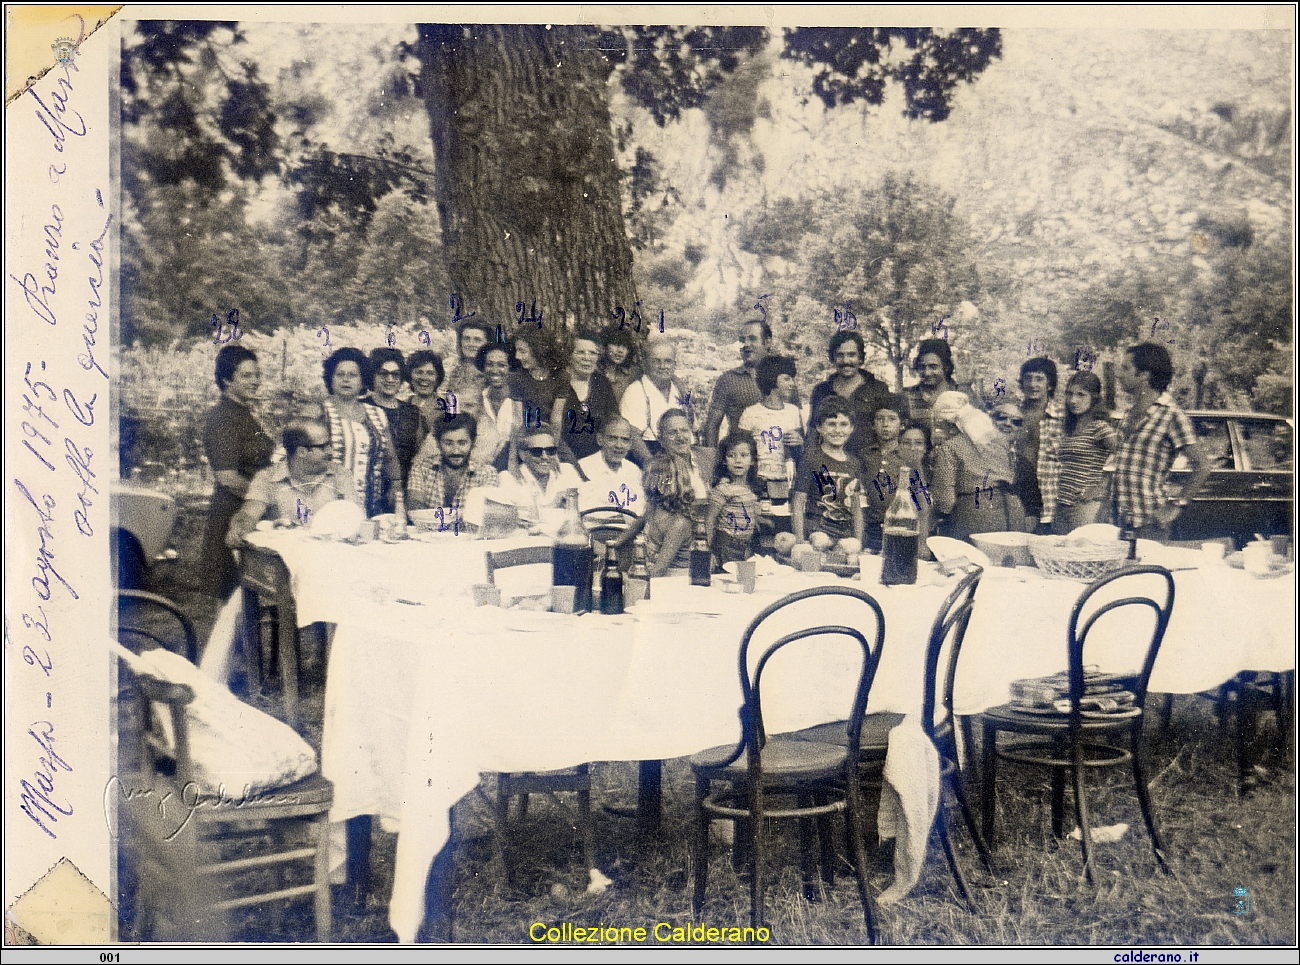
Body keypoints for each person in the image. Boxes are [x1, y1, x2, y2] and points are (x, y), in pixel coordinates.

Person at [1111, 342, 1210, 540]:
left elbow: (1202, 467)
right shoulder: (1129, 414)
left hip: (1150, 524)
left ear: (1145, 374)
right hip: (1120, 523)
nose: (1118, 374)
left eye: (1125, 368)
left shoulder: (1171, 414)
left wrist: (1176, 505)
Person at [200, 345, 274, 597]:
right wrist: (265, 496)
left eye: (257, 375)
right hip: (231, 513)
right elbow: (227, 477)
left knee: (249, 603)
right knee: (231, 603)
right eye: (246, 376)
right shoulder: (222, 418)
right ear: (226, 380)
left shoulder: (244, 414)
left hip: (249, 512)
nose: (255, 381)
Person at [225, 421, 356, 545]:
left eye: (330, 445)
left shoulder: (341, 475)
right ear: (301, 452)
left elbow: (355, 516)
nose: (330, 451)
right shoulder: (267, 477)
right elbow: (249, 514)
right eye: (323, 447)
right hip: (284, 559)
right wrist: (240, 527)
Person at [315, 347, 405, 520]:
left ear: (363, 380)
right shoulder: (319, 411)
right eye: (340, 374)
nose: (346, 380)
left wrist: (395, 486)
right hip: (328, 503)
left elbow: (390, 457)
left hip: (371, 504)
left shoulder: (376, 414)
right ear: (330, 379)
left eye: (353, 375)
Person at [929, 391, 1025, 539]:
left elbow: (944, 501)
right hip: (1013, 513)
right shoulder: (997, 441)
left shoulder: (950, 447)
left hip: (976, 514)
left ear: (946, 422)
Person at [1038, 371, 1119, 535]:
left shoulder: (1100, 427)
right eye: (1069, 394)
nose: (1073, 400)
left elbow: (1125, 457)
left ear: (1094, 398)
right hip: (1062, 503)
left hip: (1085, 506)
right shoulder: (1070, 427)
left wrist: (1100, 487)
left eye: (1081, 395)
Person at [792, 397, 866, 546]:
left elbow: (857, 508)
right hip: (817, 530)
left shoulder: (854, 463)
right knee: (820, 541)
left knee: (852, 547)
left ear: (851, 428)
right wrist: (800, 541)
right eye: (831, 424)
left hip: (844, 533)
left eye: (844, 424)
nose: (838, 430)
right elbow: (798, 503)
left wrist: (859, 542)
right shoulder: (811, 459)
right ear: (819, 427)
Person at [808, 331, 892, 460]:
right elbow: (813, 432)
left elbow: (888, 431)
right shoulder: (822, 390)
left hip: (868, 462)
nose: (846, 361)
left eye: (851, 355)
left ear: (860, 358)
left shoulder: (878, 389)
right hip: (830, 462)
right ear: (833, 358)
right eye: (840, 355)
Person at [640, 410, 704, 577]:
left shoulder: (707, 459)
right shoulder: (659, 467)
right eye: (672, 432)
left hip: (694, 554)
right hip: (669, 564)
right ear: (661, 439)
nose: (680, 436)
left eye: (684, 430)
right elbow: (643, 520)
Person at [737, 354, 805, 507]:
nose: (792, 384)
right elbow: (739, 448)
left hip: (785, 482)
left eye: (792, 379)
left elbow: (800, 454)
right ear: (772, 379)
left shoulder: (793, 411)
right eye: (787, 379)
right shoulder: (751, 413)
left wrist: (800, 442)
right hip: (758, 482)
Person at [704, 319, 782, 446]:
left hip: (776, 457)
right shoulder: (728, 379)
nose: (746, 344)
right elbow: (712, 425)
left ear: (767, 342)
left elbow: (795, 419)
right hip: (742, 458)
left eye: (752, 339)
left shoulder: (783, 378)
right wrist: (710, 458)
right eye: (742, 340)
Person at [550, 332, 619, 463]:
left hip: (597, 459)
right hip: (562, 458)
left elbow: (613, 420)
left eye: (592, 353)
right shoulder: (557, 382)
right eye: (580, 352)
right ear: (569, 356)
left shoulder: (602, 383)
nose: (587, 358)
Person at [495, 424, 584, 524]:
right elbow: (513, 520)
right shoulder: (509, 479)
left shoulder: (567, 471)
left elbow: (587, 507)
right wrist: (555, 503)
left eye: (551, 451)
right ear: (522, 454)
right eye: (537, 451)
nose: (545, 457)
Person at [407, 413, 495, 511]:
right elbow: (413, 505)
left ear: (473, 443)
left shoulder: (486, 473)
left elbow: (484, 514)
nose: (455, 451)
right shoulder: (422, 467)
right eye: (448, 443)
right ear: (438, 443)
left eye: (462, 443)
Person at [1012, 357, 1059, 528]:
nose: (1032, 384)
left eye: (1039, 379)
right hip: (1016, 487)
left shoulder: (1062, 416)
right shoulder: (1011, 415)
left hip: (1048, 490)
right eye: (1028, 378)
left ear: (1050, 384)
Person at [369, 347, 427, 487]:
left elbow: (420, 456)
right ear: (372, 376)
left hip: (406, 485)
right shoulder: (362, 407)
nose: (390, 379)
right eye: (383, 373)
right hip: (370, 484)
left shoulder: (412, 412)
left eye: (395, 374)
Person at [621, 340, 684, 466]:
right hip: (649, 455)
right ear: (645, 364)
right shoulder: (636, 391)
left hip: (678, 457)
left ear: (674, 364)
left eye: (668, 361)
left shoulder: (678, 389)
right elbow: (632, 435)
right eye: (656, 361)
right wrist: (651, 465)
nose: (662, 366)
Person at [706, 433, 762, 566]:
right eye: (731, 455)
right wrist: (708, 551)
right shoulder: (723, 489)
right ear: (724, 461)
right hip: (726, 545)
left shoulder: (750, 488)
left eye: (744, 455)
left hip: (745, 546)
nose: (738, 460)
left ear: (752, 460)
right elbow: (709, 520)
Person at [861, 396, 907, 553]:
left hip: (899, 528)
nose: (886, 424)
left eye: (892, 419)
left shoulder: (908, 457)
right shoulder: (864, 455)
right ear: (873, 425)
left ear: (902, 425)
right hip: (870, 529)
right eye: (880, 419)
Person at [577, 416, 645, 517]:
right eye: (613, 438)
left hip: (631, 530)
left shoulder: (634, 470)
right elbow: (585, 511)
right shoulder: (583, 468)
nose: (619, 445)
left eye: (625, 440)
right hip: (598, 530)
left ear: (630, 444)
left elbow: (641, 508)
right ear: (600, 439)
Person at [474, 341, 524, 471]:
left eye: (501, 365)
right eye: (489, 364)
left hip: (512, 469)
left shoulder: (521, 402)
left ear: (511, 368)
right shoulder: (478, 399)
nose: (494, 370)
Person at [902, 339, 963, 433]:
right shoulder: (907, 396)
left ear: (946, 367)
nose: (927, 373)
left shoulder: (961, 394)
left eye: (933, 367)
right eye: (922, 367)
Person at [510, 329, 564, 431]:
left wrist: (553, 446)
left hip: (551, 433)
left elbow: (556, 419)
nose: (517, 356)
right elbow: (517, 421)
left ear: (538, 351)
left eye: (522, 351)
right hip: (526, 432)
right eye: (517, 351)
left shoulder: (560, 376)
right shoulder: (517, 378)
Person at [444, 319, 493, 418]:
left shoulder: (492, 372)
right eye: (466, 338)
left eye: (477, 340)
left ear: (487, 344)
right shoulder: (450, 369)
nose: (471, 344)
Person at [406, 349, 447, 432]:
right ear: (410, 376)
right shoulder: (402, 407)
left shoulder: (447, 409)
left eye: (430, 373)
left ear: (438, 377)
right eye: (419, 372)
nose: (424, 378)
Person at [600, 326, 642, 404]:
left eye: (625, 346)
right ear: (605, 346)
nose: (620, 350)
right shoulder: (595, 373)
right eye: (616, 344)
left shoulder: (631, 375)